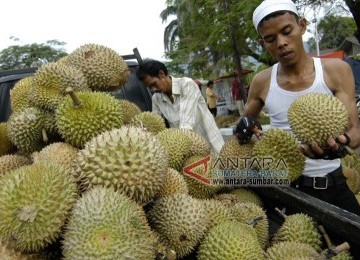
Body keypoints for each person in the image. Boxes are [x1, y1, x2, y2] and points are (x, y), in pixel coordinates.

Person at [234, 0, 360, 215]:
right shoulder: (262, 81)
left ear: (302, 25)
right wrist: (245, 127)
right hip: (285, 188)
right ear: (262, 43)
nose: (281, 43)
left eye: (287, 31)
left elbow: (355, 133)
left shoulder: (336, 70)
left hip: (331, 183)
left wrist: (341, 145)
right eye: (270, 39)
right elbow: (244, 127)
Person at [136, 60, 225, 155]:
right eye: (149, 87)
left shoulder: (187, 85)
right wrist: (144, 133)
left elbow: (186, 123)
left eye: (154, 84)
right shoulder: (156, 98)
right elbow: (154, 122)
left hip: (210, 143)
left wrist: (173, 146)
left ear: (161, 74)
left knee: (222, 167)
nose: (153, 90)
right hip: (187, 152)